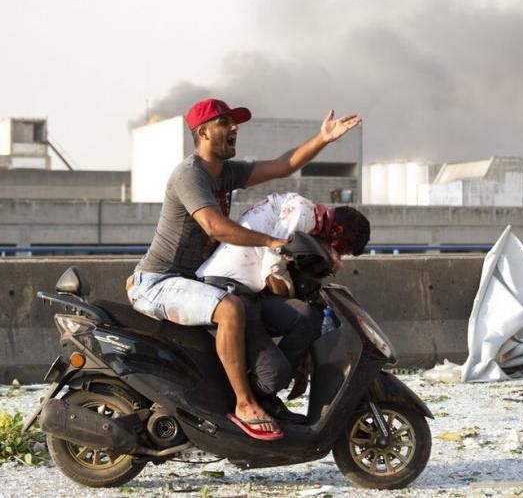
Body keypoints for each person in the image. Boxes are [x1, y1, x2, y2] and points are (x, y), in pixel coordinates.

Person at [126, 98, 361, 441]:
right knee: (232, 309)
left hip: (190, 281)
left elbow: (283, 165)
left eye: (234, 123)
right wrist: (270, 243)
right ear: (203, 132)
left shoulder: (225, 173)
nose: (234, 128)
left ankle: (266, 395)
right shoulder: (189, 174)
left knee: (303, 315)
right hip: (158, 282)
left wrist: (323, 138)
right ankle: (244, 403)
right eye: (225, 122)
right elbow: (215, 227)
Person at [196, 192, 371, 423]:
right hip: (228, 289)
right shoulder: (302, 214)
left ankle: (267, 392)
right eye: (340, 248)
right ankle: (248, 398)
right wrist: (293, 291)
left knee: (308, 317)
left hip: (249, 291)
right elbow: (272, 272)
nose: (335, 253)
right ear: (337, 232)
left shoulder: (308, 216)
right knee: (274, 376)